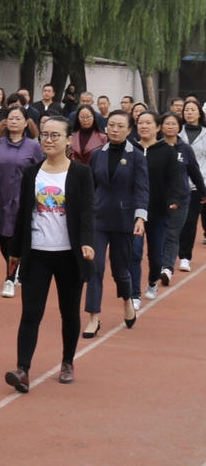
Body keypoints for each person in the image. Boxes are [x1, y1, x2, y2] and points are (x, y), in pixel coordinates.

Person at [4, 117, 95, 392]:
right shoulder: (32, 173)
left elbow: (87, 212)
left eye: (55, 135)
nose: (49, 140)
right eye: (44, 135)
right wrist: (15, 251)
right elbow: (23, 214)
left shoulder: (81, 173)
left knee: (69, 312)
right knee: (31, 313)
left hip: (69, 254)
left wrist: (87, 242)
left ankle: (67, 361)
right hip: (37, 254)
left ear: (68, 140)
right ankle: (22, 370)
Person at [82, 110, 148, 335]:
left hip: (123, 220)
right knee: (95, 267)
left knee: (120, 270)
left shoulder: (137, 156)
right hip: (98, 219)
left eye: (120, 126)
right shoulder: (97, 155)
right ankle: (93, 317)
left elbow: (142, 189)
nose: (115, 129)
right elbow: (90, 188)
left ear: (129, 130)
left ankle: (127, 299)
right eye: (111, 125)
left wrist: (140, 217)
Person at [0, 106, 44, 297]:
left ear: (26, 123)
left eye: (18, 119)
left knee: (16, 239)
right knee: (3, 239)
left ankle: (9, 279)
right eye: (11, 118)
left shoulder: (33, 147)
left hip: (24, 200)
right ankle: (15, 267)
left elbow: (41, 172)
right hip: (1, 198)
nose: (14, 121)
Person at [128, 111, 179, 305]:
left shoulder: (167, 151)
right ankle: (134, 294)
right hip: (133, 210)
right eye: (140, 122)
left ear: (158, 127)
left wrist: (174, 199)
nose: (144, 126)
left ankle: (152, 282)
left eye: (148, 123)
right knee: (134, 252)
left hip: (158, 211)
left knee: (156, 256)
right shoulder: (130, 148)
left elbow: (174, 179)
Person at [158, 111, 206, 284]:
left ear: (179, 127)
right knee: (159, 233)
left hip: (181, 198)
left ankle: (167, 268)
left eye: (174, 124)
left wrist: (203, 192)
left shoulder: (185, 149)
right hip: (158, 199)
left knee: (172, 233)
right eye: (167, 123)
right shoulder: (155, 147)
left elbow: (194, 172)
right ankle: (159, 262)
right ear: (161, 127)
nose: (170, 127)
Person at [177, 99, 206, 265]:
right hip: (176, 184)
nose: (189, 112)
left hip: (198, 184)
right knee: (173, 222)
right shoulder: (176, 132)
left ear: (199, 113)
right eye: (186, 110)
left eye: (192, 110)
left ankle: (185, 257)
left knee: (190, 221)